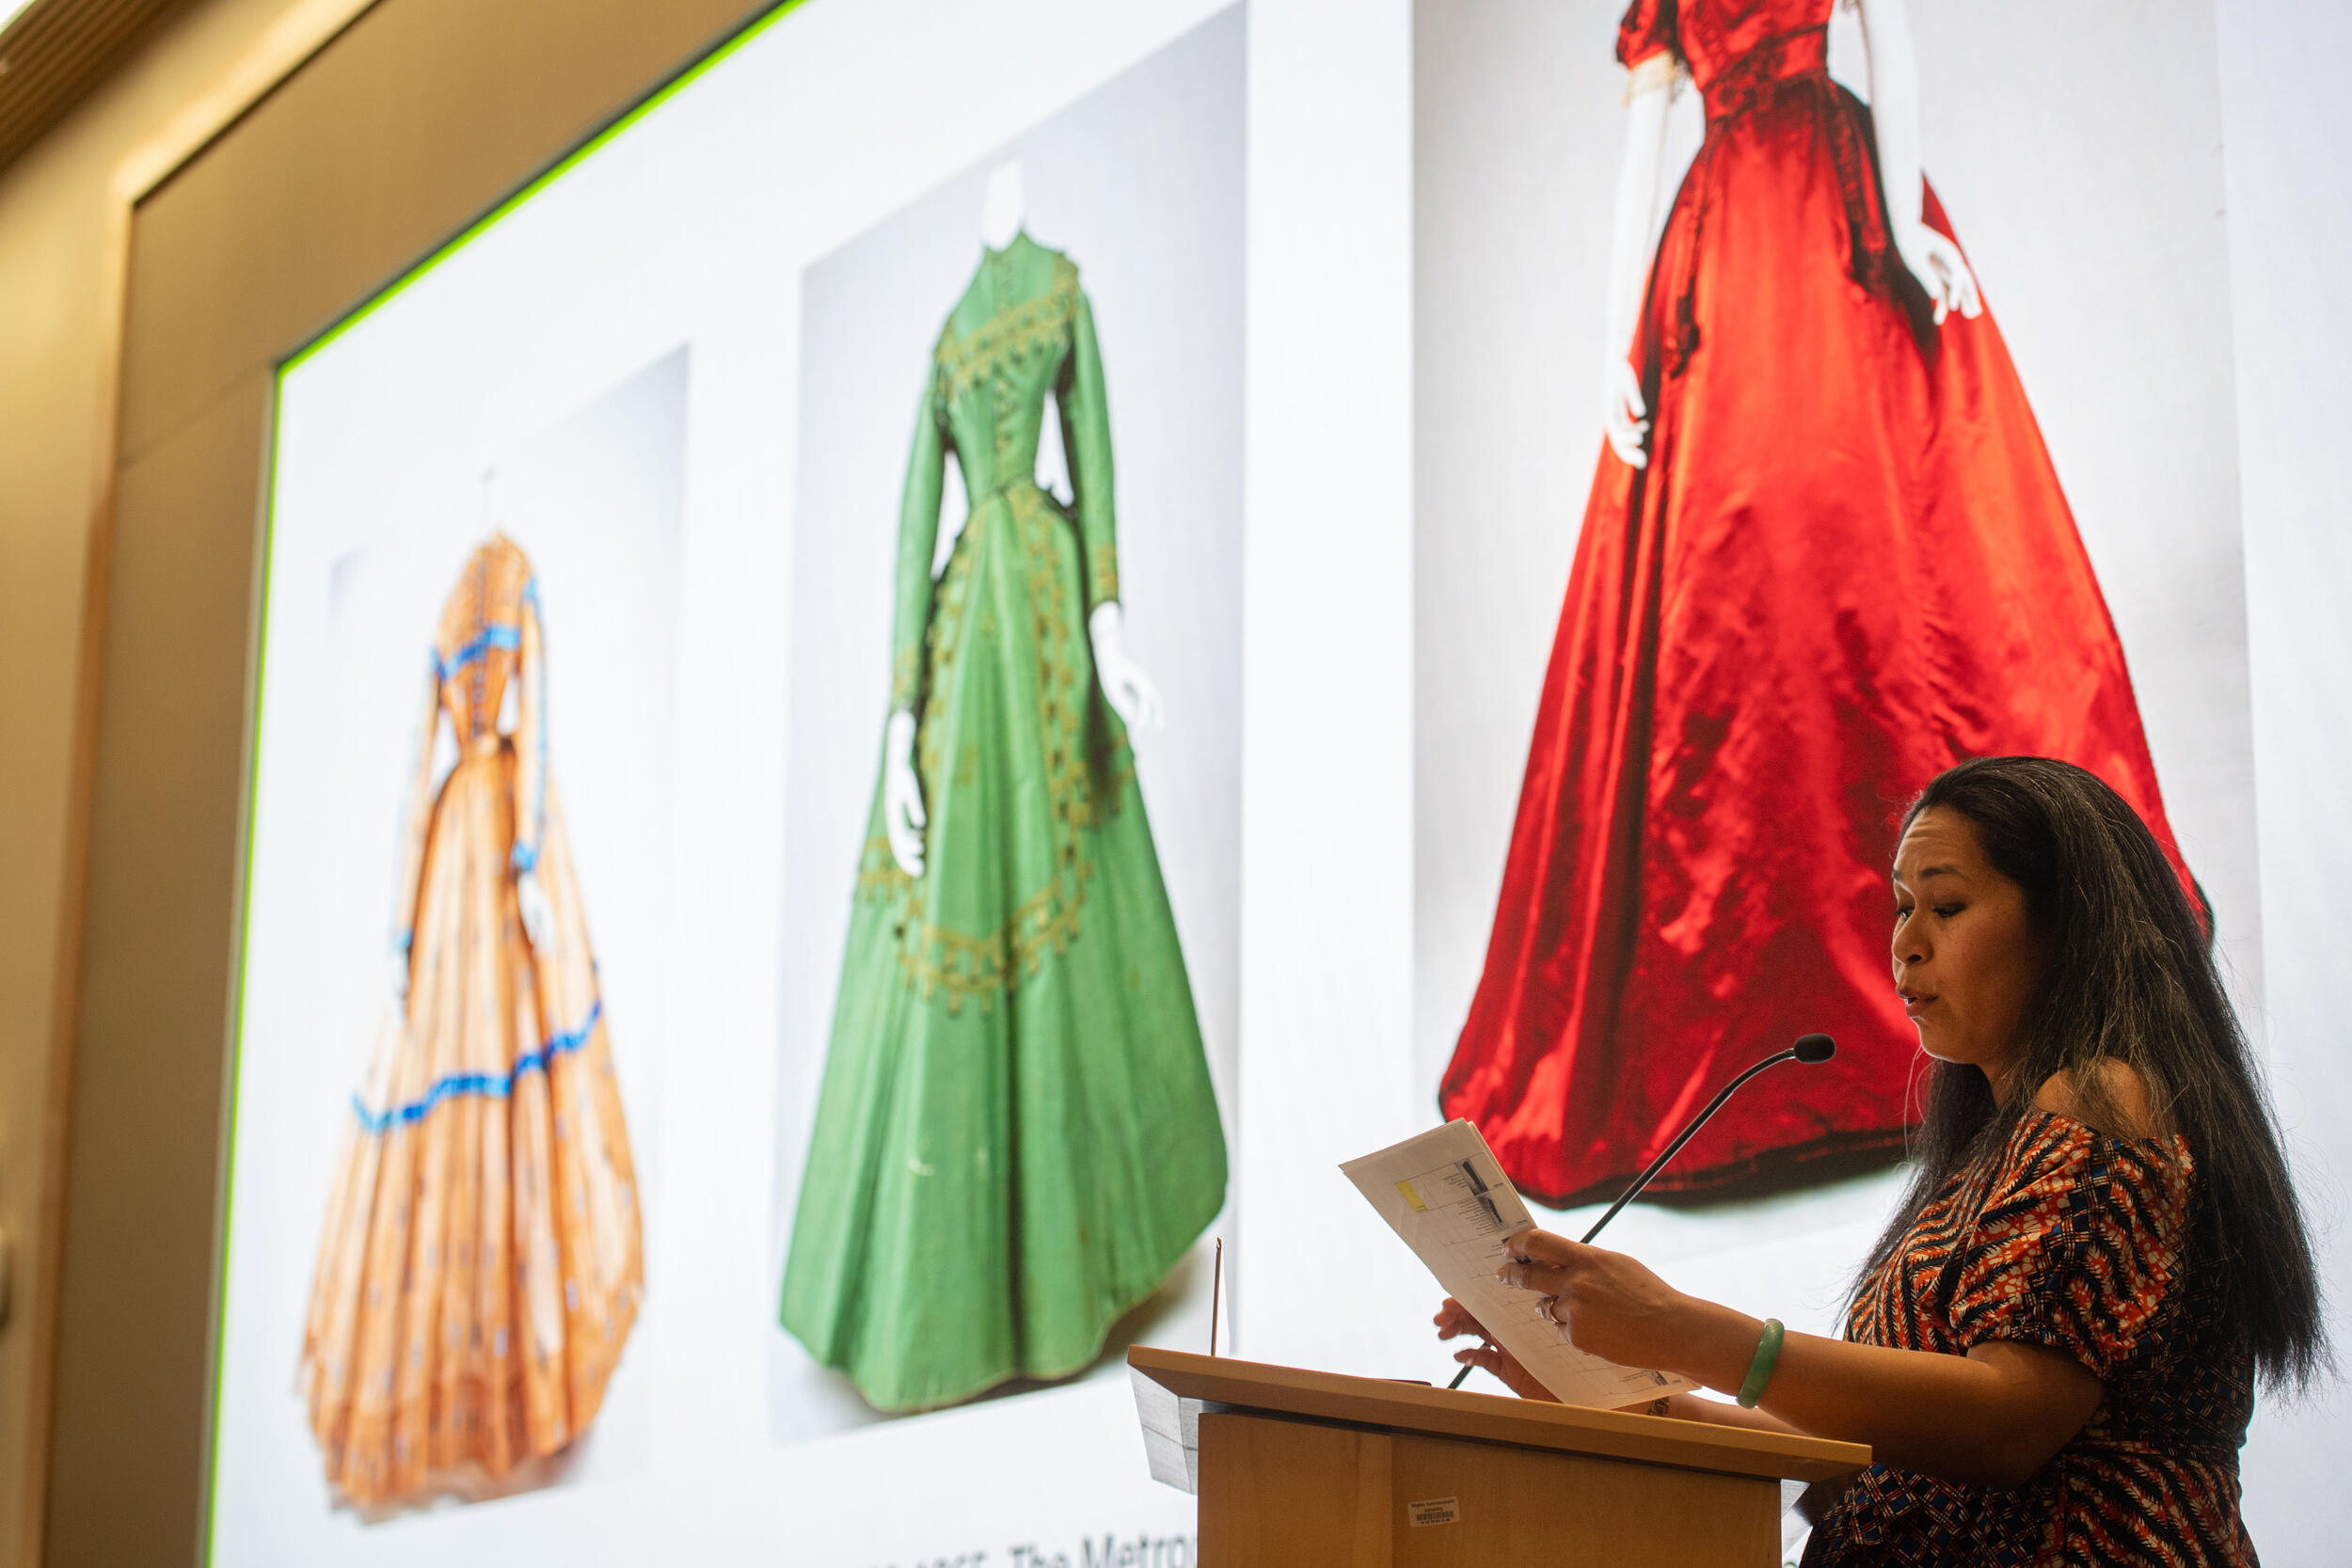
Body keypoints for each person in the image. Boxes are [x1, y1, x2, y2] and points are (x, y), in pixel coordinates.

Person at [1439, 0, 2197, 1210]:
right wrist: (1611, 343)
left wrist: (1897, 219)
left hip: (1827, 221)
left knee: (1895, 562)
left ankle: (1993, 948)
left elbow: (1885, 36)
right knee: (1758, 602)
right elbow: (1652, 142)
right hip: (1756, 238)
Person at [1438, 757, 2323, 1565]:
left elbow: (2008, 1422)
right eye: (1901, 907)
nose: (1905, 942)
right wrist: (1616, 1398)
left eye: (1945, 906)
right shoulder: (1988, 1156)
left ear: (2069, 924)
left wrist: (1680, 1326)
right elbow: (1862, 1466)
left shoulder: (2104, 1096)